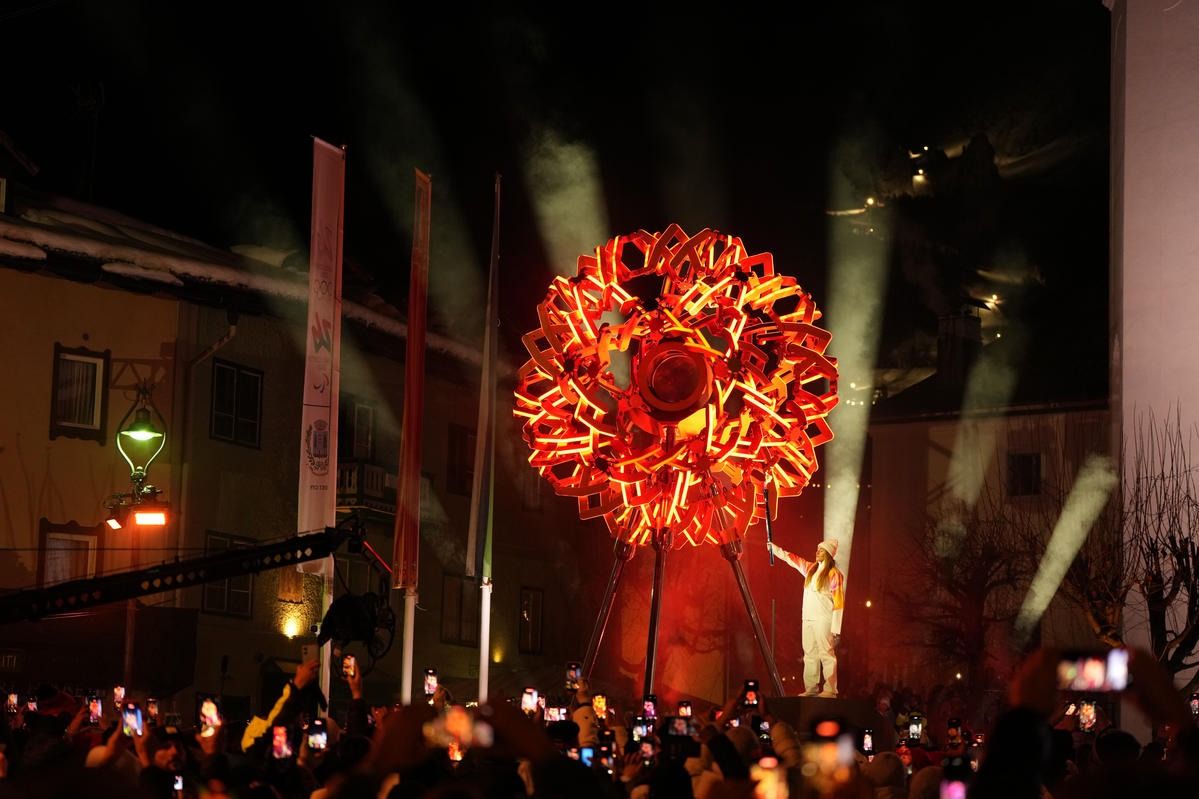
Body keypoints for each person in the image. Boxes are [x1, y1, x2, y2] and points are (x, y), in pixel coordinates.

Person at [769, 538, 846, 697]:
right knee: (810, 654)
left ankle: (830, 689)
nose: (817, 552)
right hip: (808, 617)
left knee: (826, 654)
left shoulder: (834, 574)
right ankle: (811, 688)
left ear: (828, 554)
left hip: (824, 619)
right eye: (817, 549)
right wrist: (774, 549)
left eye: (821, 550)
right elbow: (792, 559)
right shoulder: (810, 569)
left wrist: (836, 629)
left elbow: (839, 602)